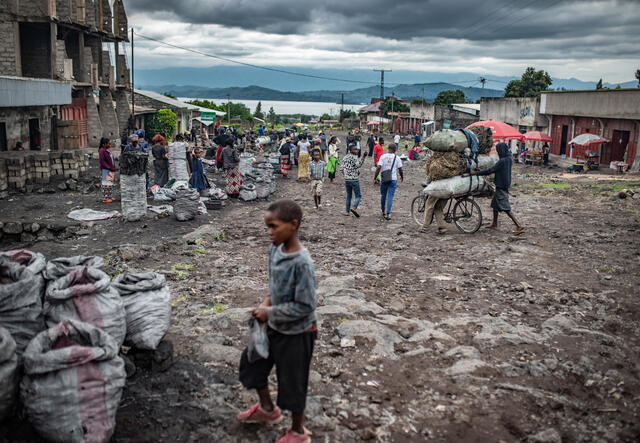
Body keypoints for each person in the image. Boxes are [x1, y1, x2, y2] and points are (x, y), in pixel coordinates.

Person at [237, 199, 317, 443]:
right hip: (273, 326)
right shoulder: (275, 248)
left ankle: (297, 432)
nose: (269, 233)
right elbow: (275, 287)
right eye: (267, 227)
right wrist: (265, 304)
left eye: (274, 226)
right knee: (252, 364)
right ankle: (268, 409)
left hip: (298, 333)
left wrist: (268, 314)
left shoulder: (302, 263)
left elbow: (305, 306)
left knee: (293, 383)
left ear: (293, 225)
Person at [471, 142, 525, 235]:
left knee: (506, 207)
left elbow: (491, 170)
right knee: (495, 206)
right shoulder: (508, 159)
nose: (498, 152)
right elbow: (494, 169)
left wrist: (476, 173)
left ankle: (519, 226)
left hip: (501, 186)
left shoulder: (502, 161)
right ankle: (494, 224)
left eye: (498, 150)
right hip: (504, 184)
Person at [375, 143, 403, 220]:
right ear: (395, 150)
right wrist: (401, 177)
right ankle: (388, 213)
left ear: (388, 148)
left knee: (383, 196)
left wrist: (375, 177)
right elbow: (400, 169)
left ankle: (383, 211)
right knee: (390, 196)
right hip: (393, 179)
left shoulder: (383, 156)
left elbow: (378, 167)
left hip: (384, 179)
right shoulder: (397, 158)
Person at [340, 143, 368, 217]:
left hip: (347, 180)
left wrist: (346, 175)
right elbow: (358, 165)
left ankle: (347, 211)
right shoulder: (354, 157)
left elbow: (341, 168)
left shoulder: (345, 157)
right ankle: (354, 207)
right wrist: (363, 157)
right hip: (354, 179)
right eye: (355, 149)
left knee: (349, 196)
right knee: (358, 196)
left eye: (357, 149)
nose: (357, 150)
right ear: (350, 150)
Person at [98, 137, 116, 203]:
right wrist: (108, 167)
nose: (110, 145)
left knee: (110, 183)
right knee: (105, 184)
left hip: (110, 169)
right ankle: (105, 198)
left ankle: (109, 196)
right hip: (105, 170)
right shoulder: (102, 151)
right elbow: (102, 161)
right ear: (104, 144)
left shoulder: (107, 150)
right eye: (109, 143)